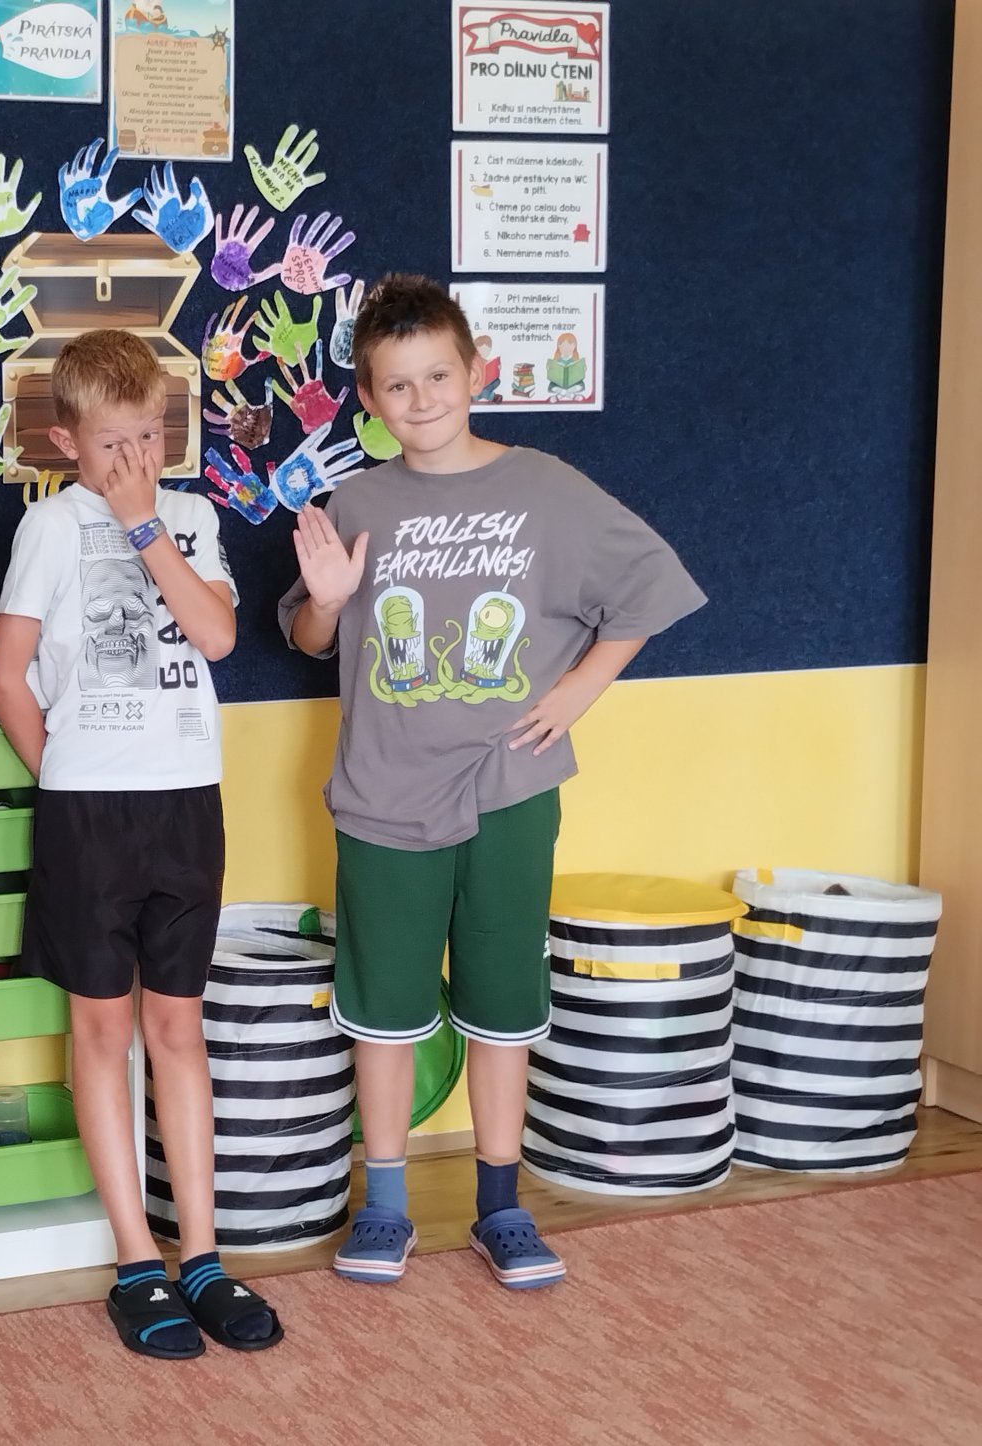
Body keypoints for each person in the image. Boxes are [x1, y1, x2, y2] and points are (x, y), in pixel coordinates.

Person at [278, 274, 705, 1291]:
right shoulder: (358, 501)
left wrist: (581, 690)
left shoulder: (546, 488)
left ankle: (501, 1207)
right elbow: (307, 636)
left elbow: (648, 586)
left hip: (509, 792)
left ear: (478, 373)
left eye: (438, 376)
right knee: (384, 1010)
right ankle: (385, 1207)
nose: (420, 398)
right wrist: (326, 603)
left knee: (503, 1005)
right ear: (368, 399)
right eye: (396, 384)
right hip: (383, 797)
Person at [0, 329, 282, 1359]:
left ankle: (201, 1252)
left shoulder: (191, 517)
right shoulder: (48, 527)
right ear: (67, 440)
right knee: (102, 1033)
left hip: (186, 802)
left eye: (150, 436)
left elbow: (219, 637)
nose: (134, 459)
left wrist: (147, 524)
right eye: (113, 443)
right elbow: (6, 671)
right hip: (88, 811)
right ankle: (136, 1257)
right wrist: (57, 770)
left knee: (178, 1030)